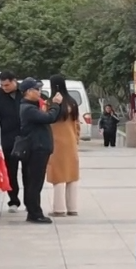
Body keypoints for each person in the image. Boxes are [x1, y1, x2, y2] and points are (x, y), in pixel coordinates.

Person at [17, 78, 63, 224]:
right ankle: (35, 213)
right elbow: (49, 117)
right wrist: (56, 104)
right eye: (37, 89)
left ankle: (34, 211)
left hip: (39, 148)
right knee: (35, 182)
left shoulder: (32, 106)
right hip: (36, 148)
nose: (39, 92)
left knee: (34, 181)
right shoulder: (28, 109)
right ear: (28, 92)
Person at [0, 71, 24, 212]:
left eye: (7, 85)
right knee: (11, 172)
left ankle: (30, 202)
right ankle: (13, 201)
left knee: (29, 172)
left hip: (26, 137)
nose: (4, 88)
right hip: (9, 139)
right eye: (2, 85)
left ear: (14, 81)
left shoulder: (25, 92)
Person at [46, 75, 82, 217]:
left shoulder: (50, 103)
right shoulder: (72, 103)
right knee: (72, 175)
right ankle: (73, 208)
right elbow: (77, 124)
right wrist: (76, 139)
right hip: (71, 142)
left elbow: (46, 120)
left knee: (58, 176)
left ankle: (59, 209)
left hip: (56, 143)